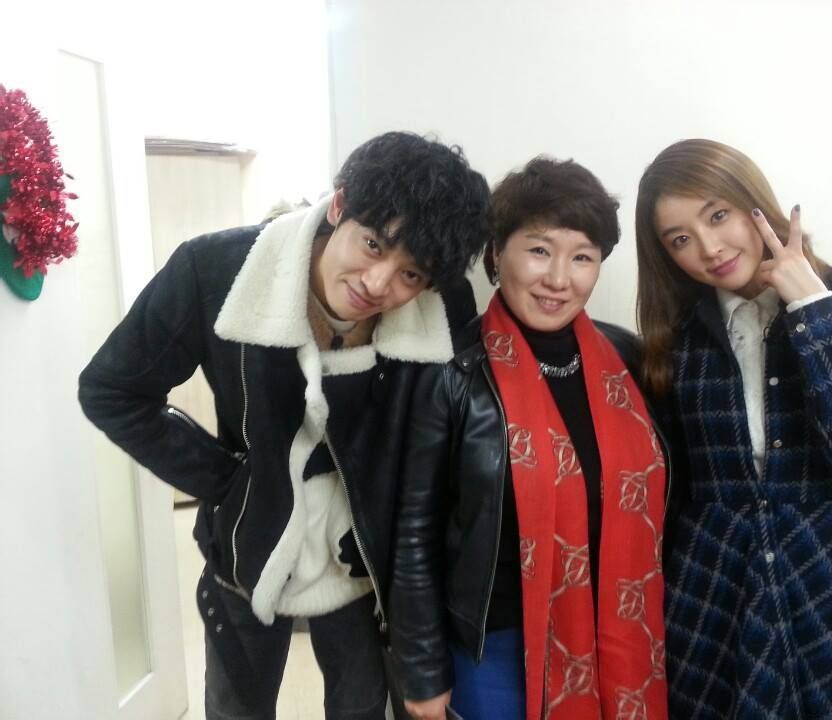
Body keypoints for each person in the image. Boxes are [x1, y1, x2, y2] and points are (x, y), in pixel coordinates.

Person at [78, 131, 490, 720]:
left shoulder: (444, 305)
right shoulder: (215, 270)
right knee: (237, 709)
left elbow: (442, 443)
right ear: (339, 204)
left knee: (361, 708)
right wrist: (230, 481)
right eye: (373, 244)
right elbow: (112, 388)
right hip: (247, 550)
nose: (378, 284)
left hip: (364, 564)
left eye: (410, 275)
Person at [634, 138, 832, 717]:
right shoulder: (676, 342)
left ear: (753, 203)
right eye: (680, 239)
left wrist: (812, 307)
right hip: (715, 592)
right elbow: (674, 491)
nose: (709, 248)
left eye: (718, 215)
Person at [391, 157, 670, 720]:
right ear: (497, 253)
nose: (559, 279)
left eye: (582, 257)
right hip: (494, 648)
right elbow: (413, 532)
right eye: (540, 250)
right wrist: (421, 670)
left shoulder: (629, 360)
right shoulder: (451, 372)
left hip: (621, 631)